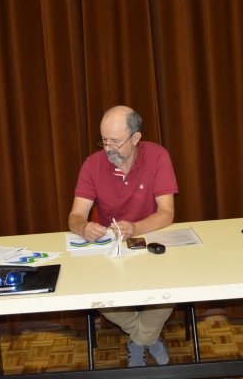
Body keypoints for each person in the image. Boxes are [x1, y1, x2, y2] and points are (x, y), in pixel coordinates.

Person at [68, 105, 179, 367]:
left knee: (174, 289)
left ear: (136, 137)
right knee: (95, 293)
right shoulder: (93, 164)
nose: (108, 148)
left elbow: (167, 213)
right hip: (112, 249)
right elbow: (75, 216)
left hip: (151, 240)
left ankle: (138, 340)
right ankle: (147, 336)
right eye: (103, 140)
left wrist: (136, 228)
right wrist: (83, 227)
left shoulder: (158, 156)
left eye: (115, 141)